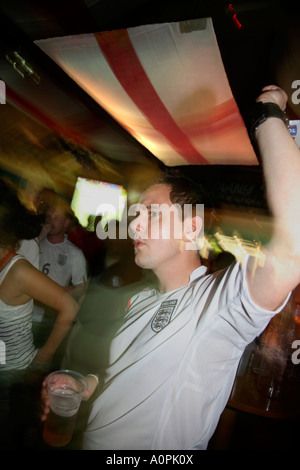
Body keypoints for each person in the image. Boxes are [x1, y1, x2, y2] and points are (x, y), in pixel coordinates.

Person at [41, 85, 300, 450]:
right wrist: (85, 386)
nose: (133, 225)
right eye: (135, 214)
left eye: (150, 213)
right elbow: (125, 375)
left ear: (191, 228)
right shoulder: (142, 297)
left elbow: (294, 247)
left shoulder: (214, 305)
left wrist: (267, 115)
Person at [0, 180, 79, 447]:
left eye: (54, 211)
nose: (48, 213)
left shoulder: (18, 269)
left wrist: (43, 357)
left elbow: (70, 304)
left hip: (13, 377)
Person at [39, 197, 87, 295]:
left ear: (66, 223)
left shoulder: (74, 253)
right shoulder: (35, 242)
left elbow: (81, 287)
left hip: (50, 308)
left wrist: (57, 293)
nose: (50, 221)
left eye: (56, 218)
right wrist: (38, 239)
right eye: (48, 217)